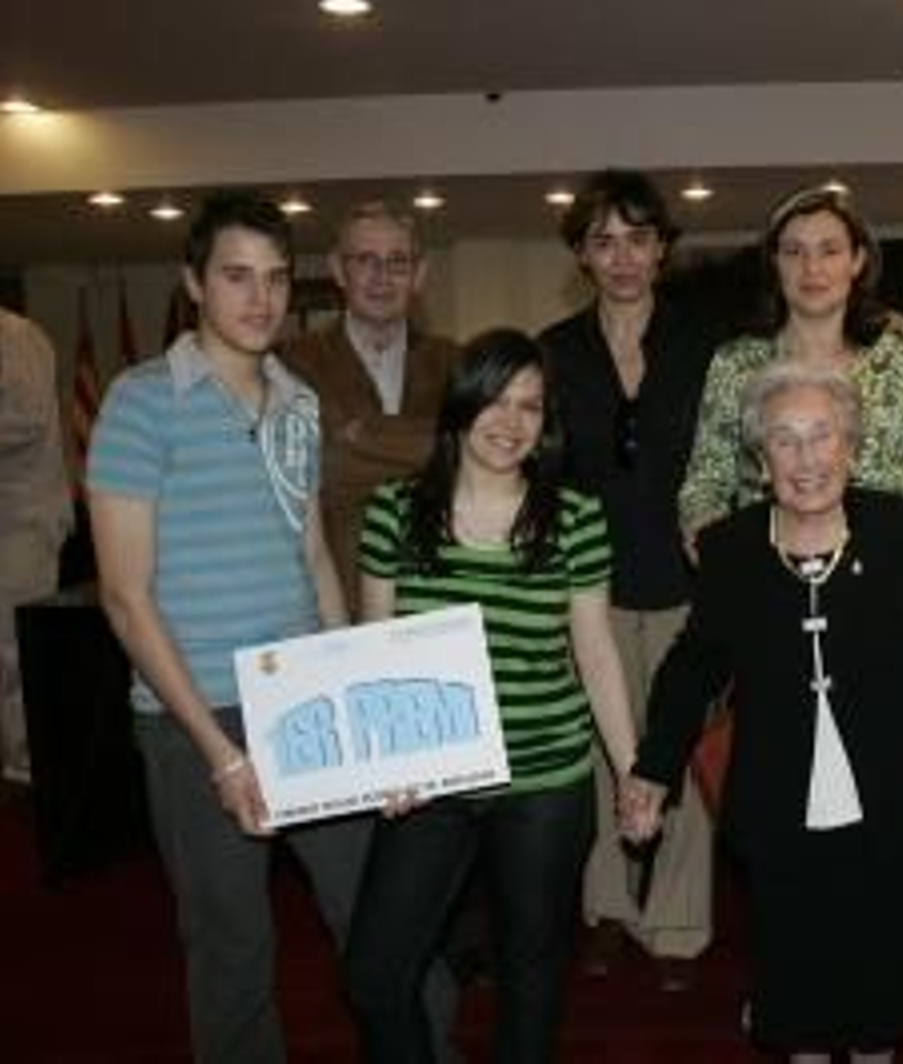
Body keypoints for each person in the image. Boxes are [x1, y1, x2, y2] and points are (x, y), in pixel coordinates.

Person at [624, 361, 903, 1062]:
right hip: (779, 799)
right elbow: (693, 669)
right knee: (797, 978)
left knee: (881, 981)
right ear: (759, 456)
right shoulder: (730, 550)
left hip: (894, 794)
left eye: (822, 435)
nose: (806, 458)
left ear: (851, 444)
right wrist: (652, 770)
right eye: (785, 439)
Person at [87, 191, 361, 1063]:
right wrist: (221, 752)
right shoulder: (140, 402)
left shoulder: (299, 401)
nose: (261, 298)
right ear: (193, 284)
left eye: (278, 278)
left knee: (376, 910)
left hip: (303, 700)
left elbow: (314, 555)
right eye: (237, 276)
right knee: (234, 947)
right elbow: (126, 597)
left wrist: (350, 690)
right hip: (192, 715)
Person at [344, 328, 638, 1064]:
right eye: (496, 402)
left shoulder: (574, 516)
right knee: (376, 973)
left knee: (531, 975)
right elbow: (374, 650)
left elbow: (595, 650)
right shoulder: (394, 512)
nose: (511, 423)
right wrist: (383, 762)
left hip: (543, 779)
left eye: (531, 407)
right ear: (461, 405)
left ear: (547, 423)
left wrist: (633, 770)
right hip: (428, 780)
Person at [538, 170, 721, 991]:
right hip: (589, 586)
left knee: (674, 749)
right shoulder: (555, 351)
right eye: (603, 240)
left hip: (688, 581)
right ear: (581, 253)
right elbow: (539, 475)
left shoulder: (707, 343)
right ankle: (608, 908)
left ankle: (677, 924)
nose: (622, 257)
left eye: (638, 239)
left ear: (662, 250)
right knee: (604, 754)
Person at [677, 184, 903, 543]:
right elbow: (705, 486)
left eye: (829, 251)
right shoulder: (736, 364)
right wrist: (718, 554)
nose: (812, 268)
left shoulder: (899, 364)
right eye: (794, 252)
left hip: (879, 569)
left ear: (857, 261)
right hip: (765, 572)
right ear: (774, 262)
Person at [281, 201, 460, 606]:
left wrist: (358, 435)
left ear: (419, 274)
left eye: (398, 262)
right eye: (365, 260)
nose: (382, 277)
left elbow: (472, 454)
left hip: (439, 603)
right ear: (338, 269)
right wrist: (433, 443)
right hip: (333, 603)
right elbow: (320, 467)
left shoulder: (455, 363)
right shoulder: (292, 365)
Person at [0, 306, 72, 785]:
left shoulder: (15, 334)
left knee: (11, 648)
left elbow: (23, 420)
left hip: (23, 521)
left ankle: (28, 763)